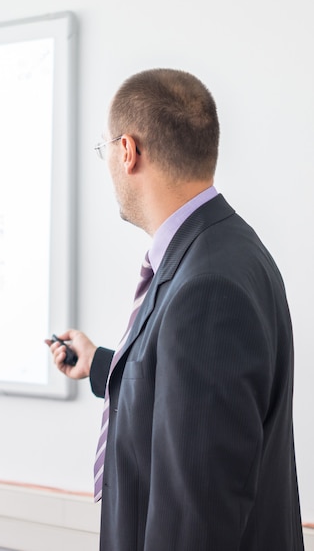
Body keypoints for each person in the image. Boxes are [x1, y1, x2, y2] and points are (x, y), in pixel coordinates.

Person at [47, 69, 304, 550]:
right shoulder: (222, 249)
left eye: (106, 150)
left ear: (128, 151)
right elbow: (184, 391)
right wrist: (102, 364)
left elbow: (198, 513)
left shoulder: (208, 286)